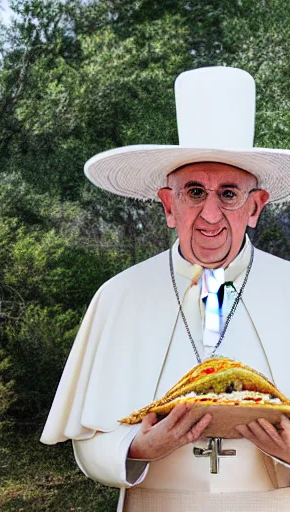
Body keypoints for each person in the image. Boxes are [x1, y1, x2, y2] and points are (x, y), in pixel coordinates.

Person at [40, 66, 290, 511]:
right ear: (168, 205)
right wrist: (136, 450)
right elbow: (88, 439)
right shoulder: (119, 296)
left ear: (256, 207)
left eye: (229, 194)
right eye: (194, 192)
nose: (210, 215)